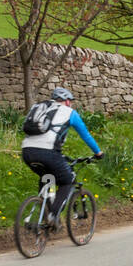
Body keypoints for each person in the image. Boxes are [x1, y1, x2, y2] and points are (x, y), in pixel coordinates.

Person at [21, 87, 104, 228]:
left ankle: (45, 209)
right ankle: (53, 215)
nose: (70, 104)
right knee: (68, 181)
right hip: (48, 152)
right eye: (70, 101)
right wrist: (98, 152)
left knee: (48, 178)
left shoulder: (41, 107)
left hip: (27, 151)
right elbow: (86, 135)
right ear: (66, 101)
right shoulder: (70, 112)